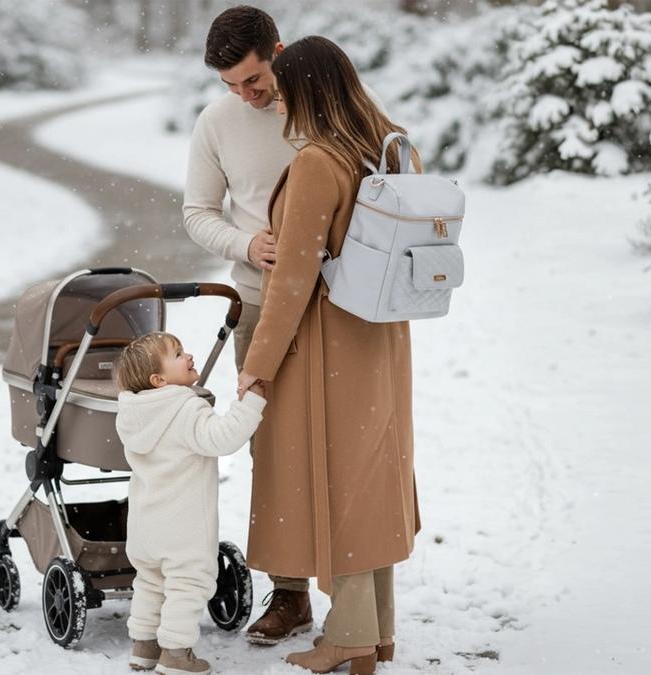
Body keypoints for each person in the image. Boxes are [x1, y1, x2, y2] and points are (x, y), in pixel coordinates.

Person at [234, 36, 420, 675]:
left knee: (336, 484)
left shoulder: (319, 161)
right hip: (381, 338)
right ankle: (377, 632)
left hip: (325, 344)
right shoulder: (389, 145)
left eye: (284, 94)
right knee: (371, 479)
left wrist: (258, 365)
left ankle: (349, 637)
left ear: (308, 92)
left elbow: (292, 279)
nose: (279, 107)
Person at [183, 4, 319, 646]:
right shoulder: (217, 121)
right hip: (262, 305)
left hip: (339, 305)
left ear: (279, 52)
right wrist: (246, 244)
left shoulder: (328, 101)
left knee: (343, 442)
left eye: (254, 80)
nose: (245, 95)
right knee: (273, 447)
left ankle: (358, 593)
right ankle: (290, 594)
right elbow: (198, 212)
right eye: (231, 85)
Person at [113, 332, 266, 675]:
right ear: (159, 379)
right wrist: (251, 402)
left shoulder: (133, 414)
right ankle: (176, 653)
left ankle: (144, 647)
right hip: (182, 525)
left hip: (144, 523)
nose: (189, 356)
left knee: (151, 581)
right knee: (189, 583)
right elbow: (222, 438)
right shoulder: (183, 407)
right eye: (178, 354)